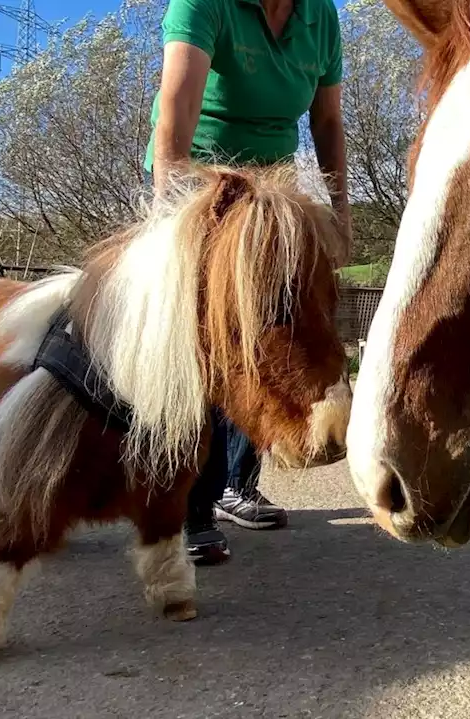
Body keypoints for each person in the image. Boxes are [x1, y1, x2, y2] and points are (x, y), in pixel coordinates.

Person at [144, 0, 351, 564]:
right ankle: (188, 505)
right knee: (212, 339)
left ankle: (238, 483)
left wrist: (340, 209)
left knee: (279, 330)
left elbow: (327, 120)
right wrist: (174, 210)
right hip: (201, 178)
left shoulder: (319, 15)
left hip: (272, 189)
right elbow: (178, 103)